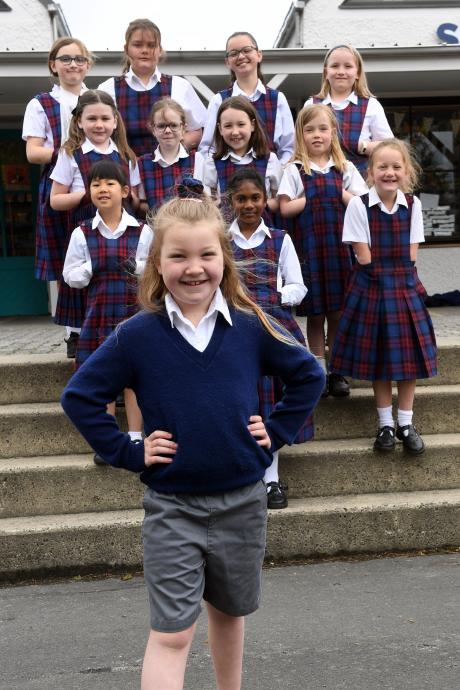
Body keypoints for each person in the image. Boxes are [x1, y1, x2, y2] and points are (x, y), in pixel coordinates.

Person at [61, 191, 324, 690]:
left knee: (229, 615)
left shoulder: (251, 326)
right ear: (157, 264)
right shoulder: (137, 335)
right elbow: (79, 396)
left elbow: (308, 376)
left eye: (206, 255)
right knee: (173, 633)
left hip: (243, 502)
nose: (194, 268)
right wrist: (127, 449)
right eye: (178, 256)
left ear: (224, 259)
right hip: (172, 508)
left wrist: (277, 429)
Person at [329, 138, 437, 454]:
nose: (389, 172)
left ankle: (406, 423)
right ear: (371, 172)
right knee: (381, 362)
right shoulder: (359, 206)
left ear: (406, 171)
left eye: (396, 167)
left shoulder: (414, 205)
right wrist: (393, 272)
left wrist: (400, 277)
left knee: (408, 362)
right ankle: (385, 424)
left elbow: (411, 255)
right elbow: (365, 258)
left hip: (404, 288)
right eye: (382, 167)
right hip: (372, 289)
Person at [227, 167, 311, 509]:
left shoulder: (280, 239)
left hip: (275, 328)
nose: (249, 205)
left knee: (270, 404)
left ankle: (272, 480)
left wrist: (276, 298)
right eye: (241, 199)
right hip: (232, 329)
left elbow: (298, 285)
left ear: (266, 200)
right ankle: (246, 477)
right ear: (231, 201)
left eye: (256, 198)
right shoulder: (221, 240)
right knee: (244, 406)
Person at [62, 160, 152, 464]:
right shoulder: (82, 232)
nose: (103, 189)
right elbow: (70, 274)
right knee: (103, 375)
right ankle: (106, 439)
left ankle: (136, 437)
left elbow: (154, 268)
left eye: (110, 183)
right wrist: (91, 267)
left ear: (125, 190)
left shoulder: (141, 230)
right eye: (96, 184)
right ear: (89, 192)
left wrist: (134, 267)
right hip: (98, 313)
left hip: (134, 312)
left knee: (135, 375)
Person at [278, 104, 368, 396]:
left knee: (338, 314)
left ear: (333, 133)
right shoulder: (294, 169)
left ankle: (338, 371)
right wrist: (314, 195)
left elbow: (361, 203)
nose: (316, 135)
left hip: (339, 252)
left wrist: (337, 192)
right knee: (315, 316)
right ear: (301, 135)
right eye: (309, 130)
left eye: (323, 129)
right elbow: (285, 207)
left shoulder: (345, 169)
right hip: (310, 252)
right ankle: (319, 371)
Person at [22, 36, 92, 356]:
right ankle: (73, 332)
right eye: (65, 59)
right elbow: (34, 151)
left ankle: (98, 323)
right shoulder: (41, 103)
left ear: (87, 64)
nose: (72, 64)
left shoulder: (99, 98)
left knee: (99, 254)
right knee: (69, 259)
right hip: (59, 186)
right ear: (53, 65)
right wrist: (68, 151)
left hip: (96, 186)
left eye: (78, 59)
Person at [97, 18, 206, 156]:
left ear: (159, 50)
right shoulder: (107, 89)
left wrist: (174, 149)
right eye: (137, 45)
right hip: (124, 172)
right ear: (126, 49)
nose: (145, 50)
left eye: (151, 45)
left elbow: (198, 130)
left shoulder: (180, 86)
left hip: (172, 171)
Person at [199, 31, 294, 163]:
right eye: (234, 53)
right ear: (227, 62)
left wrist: (277, 173)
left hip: (269, 179)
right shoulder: (219, 101)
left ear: (259, 55)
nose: (241, 56)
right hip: (229, 179)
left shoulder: (277, 99)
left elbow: (289, 148)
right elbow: (207, 148)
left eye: (247, 50)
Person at [305, 44, 393, 174]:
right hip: (320, 180)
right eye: (335, 66)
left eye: (348, 66)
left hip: (361, 183)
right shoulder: (311, 104)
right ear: (326, 73)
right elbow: (300, 146)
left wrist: (363, 146)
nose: (341, 72)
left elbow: (390, 148)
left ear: (357, 73)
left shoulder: (371, 105)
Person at [202, 95, 282, 220]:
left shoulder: (269, 160)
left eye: (241, 124)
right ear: (220, 129)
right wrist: (223, 204)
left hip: (261, 229)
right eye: (228, 126)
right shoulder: (213, 163)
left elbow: (278, 198)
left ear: (252, 125)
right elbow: (209, 201)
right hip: (227, 233)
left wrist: (261, 204)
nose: (235, 132)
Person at [136, 98, 204, 216]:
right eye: (161, 126)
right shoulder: (142, 163)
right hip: (157, 228)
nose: (167, 131)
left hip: (190, 226)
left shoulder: (197, 159)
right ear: (153, 129)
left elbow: (203, 199)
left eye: (173, 125)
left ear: (183, 128)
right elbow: (142, 203)